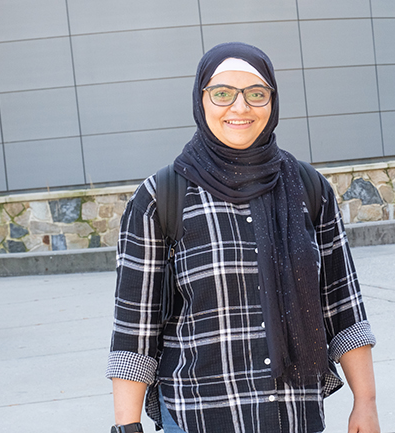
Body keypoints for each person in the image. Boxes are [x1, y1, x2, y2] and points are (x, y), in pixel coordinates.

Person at [106, 42, 379, 433]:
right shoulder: (160, 197)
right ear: (201, 100)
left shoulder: (309, 188)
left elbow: (343, 305)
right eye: (222, 93)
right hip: (197, 417)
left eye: (256, 93)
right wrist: (126, 426)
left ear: (273, 102)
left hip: (295, 417)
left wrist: (365, 402)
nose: (240, 108)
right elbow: (134, 328)